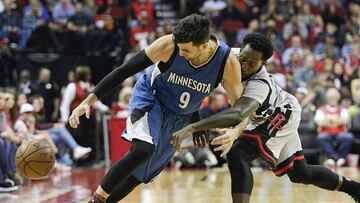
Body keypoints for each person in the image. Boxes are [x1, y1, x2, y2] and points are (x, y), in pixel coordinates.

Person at [69, 14, 243, 203]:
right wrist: (89, 100)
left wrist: (214, 126)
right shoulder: (169, 45)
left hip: (180, 114)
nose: (181, 53)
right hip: (152, 98)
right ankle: (97, 200)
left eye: (186, 50)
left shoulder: (227, 62)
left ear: (204, 45)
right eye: (180, 48)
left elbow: (239, 107)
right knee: (143, 149)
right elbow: (124, 70)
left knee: (143, 172)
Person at [172, 33, 360, 203]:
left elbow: (237, 114)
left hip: (280, 114)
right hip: (261, 115)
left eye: (252, 63)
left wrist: (193, 127)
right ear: (240, 51)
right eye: (243, 59)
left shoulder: (260, 84)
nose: (244, 66)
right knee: (299, 173)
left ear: (263, 64)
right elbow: (200, 78)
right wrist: (196, 115)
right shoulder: (229, 57)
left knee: (237, 152)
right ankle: (356, 189)